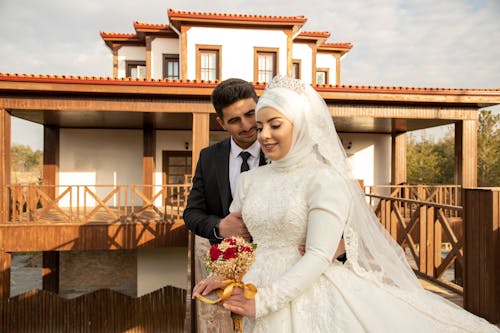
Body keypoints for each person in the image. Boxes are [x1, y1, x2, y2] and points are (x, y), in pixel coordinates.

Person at [193, 75, 499, 333]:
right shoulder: (251, 180)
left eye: (275, 125)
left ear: (299, 125)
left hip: (305, 295)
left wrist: (265, 301)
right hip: (256, 293)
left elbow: (317, 255)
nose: (263, 136)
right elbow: (240, 241)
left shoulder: (324, 179)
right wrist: (221, 275)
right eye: (261, 128)